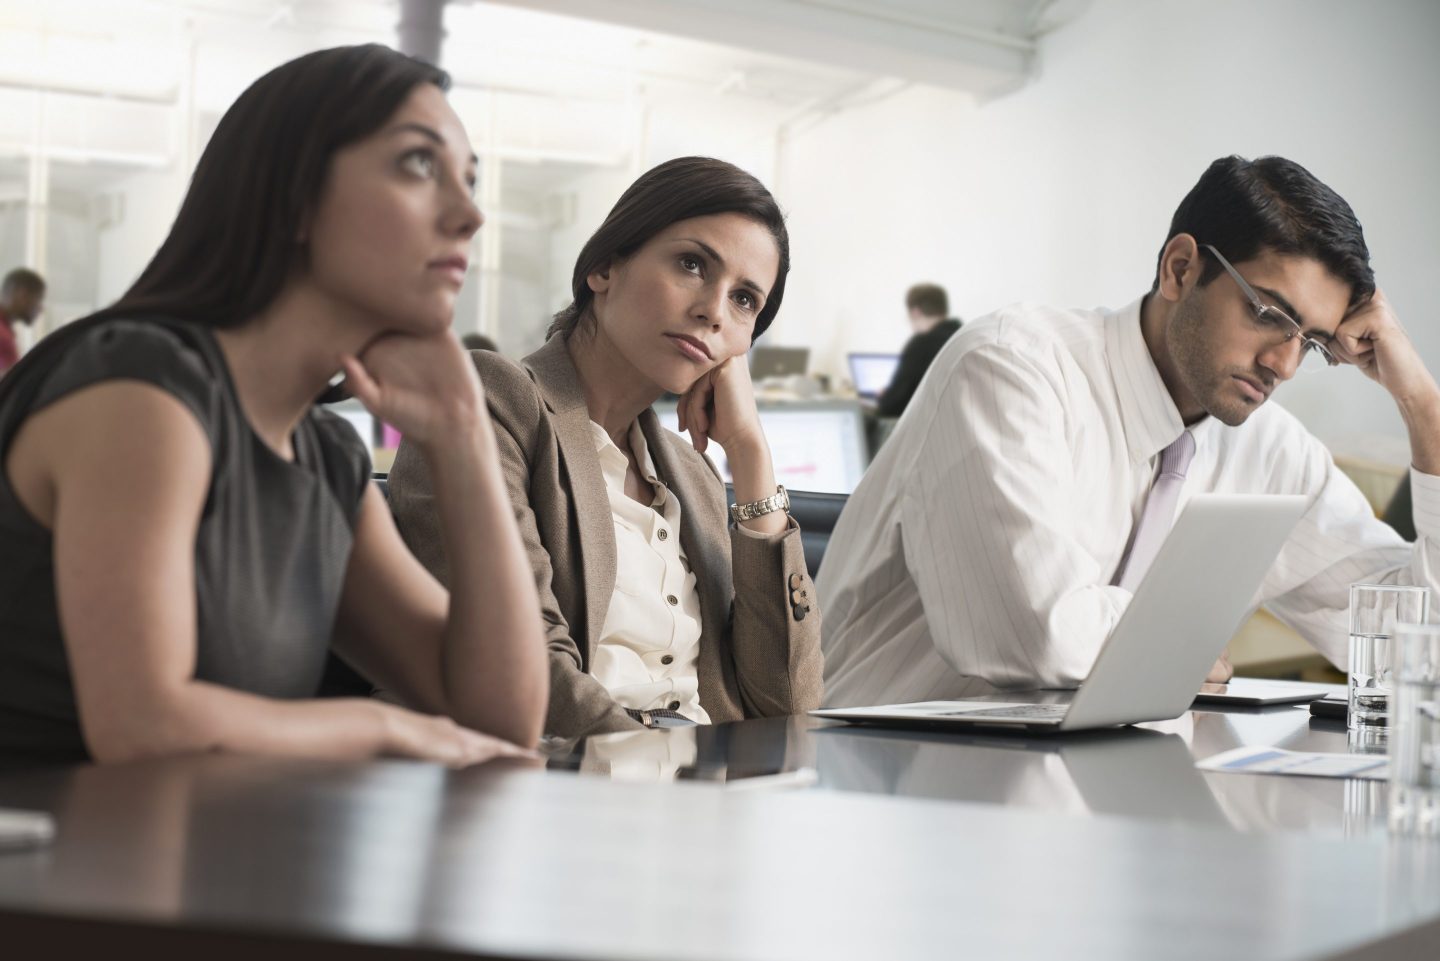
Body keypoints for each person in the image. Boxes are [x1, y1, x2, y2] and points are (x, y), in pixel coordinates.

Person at [0, 44, 548, 766]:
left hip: (192, 865)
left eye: (470, 179)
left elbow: (502, 719)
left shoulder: (324, 455)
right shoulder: (142, 387)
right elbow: (141, 724)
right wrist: (386, 727)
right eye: (419, 164)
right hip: (49, 871)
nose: (470, 214)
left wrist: (465, 438)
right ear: (292, 198)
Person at [819, 155, 1440, 707]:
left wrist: (1424, 408)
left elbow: (1412, 652)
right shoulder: (1012, 368)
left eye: (1309, 341)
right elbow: (1038, 637)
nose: (1282, 364)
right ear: (1180, 268)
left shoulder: (1274, 452)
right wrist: (1184, 648)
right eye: (1268, 315)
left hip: (1086, 801)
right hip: (876, 779)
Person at [390, 156, 823, 737]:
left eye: (745, 300)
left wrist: (748, 453)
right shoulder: (493, 401)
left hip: (703, 794)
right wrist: (652, 765)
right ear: (603, 268)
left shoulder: (691, 476)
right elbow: (518, 659)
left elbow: (789, 704)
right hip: (561, 785)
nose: (713, 311)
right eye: (692, 265)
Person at [875, 283, 961, 417]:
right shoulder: (963, 335)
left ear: (915, 312)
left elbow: (892, 405)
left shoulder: (923, 343)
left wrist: (883, 398)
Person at [0, 268, 46, 378]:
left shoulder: (5, 330)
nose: (40, 308)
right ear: (23, 295)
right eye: (38, 298)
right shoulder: (3, 336)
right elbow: (11, 385)